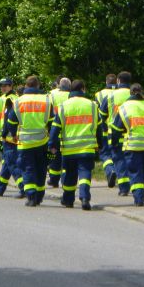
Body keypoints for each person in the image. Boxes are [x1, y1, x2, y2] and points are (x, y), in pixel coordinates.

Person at [48, 79, 102, 210]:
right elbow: (99, 128)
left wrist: (52, 145)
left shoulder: (63, 106)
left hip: (69, 149)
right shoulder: (93, 106)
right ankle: (84, 197)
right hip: (87, 148)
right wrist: (100, 144)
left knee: (70, 174)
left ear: (71, 90)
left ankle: (68, 199)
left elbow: (55, 128)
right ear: (83, 89)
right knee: (85, 173)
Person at [3, 75, 53, 207]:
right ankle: (39, 196)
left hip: (24, 143)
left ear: (26, 86)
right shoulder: (46, 100)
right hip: (42, 141)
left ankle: (31, 196)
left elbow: (10, 121)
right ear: (38, 86)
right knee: (42, 169)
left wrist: (13, 134)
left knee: (27, 169)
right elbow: (52, 123)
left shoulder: (19, 101)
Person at [109, 83, 144, 207]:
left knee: (135, 171)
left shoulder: (124, 107)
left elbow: (115, 128)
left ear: (130, 93)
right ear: (142, 92)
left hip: (133, 145)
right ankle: (141, 193)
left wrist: (114, 143)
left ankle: (138, 198)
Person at [99, 71, 132, 196]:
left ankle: (123, 188)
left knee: (118, 159)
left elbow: (102, 115)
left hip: (115, 133)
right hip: (132, 133)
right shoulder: (135, 94)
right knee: (130, 159)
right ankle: (135, 185)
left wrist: (105, 129)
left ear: (118, 81)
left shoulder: (111, 96)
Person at [0, 78, 23, 197]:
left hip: (10, 137)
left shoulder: (9, 99)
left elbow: (8, 120)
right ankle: (0, 188)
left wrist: (3, 135)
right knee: (7, 162)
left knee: (12, 163)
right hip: (14, 136)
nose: (3, 88)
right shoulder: (15, 98)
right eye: (1, 85)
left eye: (6, 85)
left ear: (11, 86)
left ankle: (23, 187)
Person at [47, 77, 71, 187]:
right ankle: (64, 179)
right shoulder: (72, 96)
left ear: (59, 85)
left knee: (55, 157)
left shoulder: (51, 94)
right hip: (69, 132)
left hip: (55, 129)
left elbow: (48, 111)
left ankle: (54, 180)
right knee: (66, 159)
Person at [94, 74, 117, 186]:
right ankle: (118, 173)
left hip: (104, 129)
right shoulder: (124, 93)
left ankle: (110, 170)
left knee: (104, 154)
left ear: (106, 82)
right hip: (121, 130)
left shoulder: (99, 94)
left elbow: (98, 113)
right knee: (117, 153)